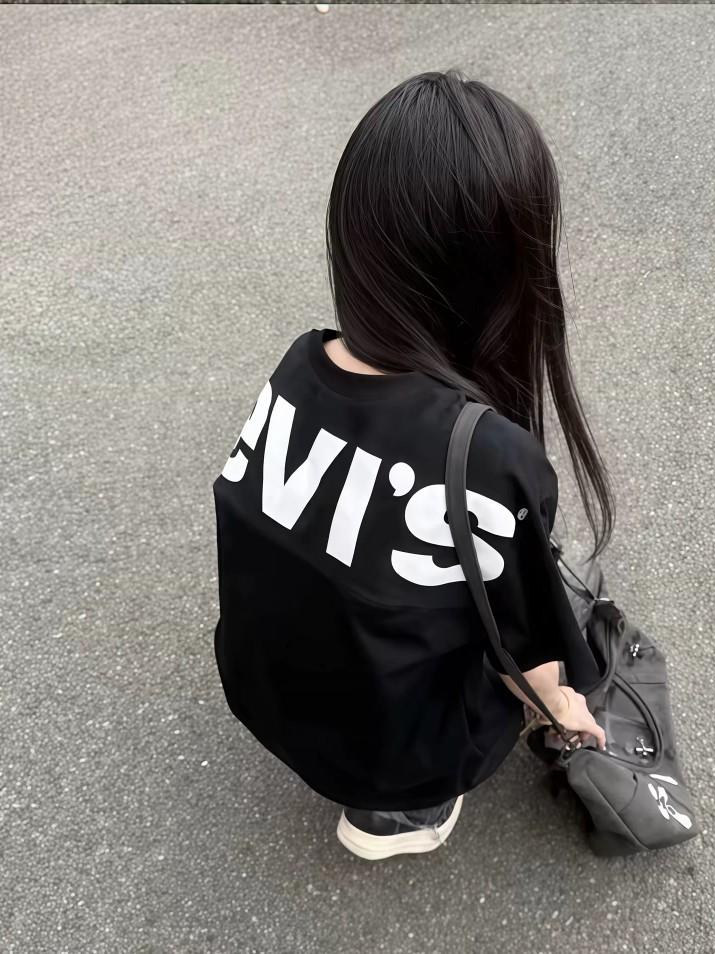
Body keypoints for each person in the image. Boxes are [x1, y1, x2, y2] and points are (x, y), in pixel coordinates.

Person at [211, 69, 615, 862]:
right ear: (510, 270)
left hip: (259, 694)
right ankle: (400, 811)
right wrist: (567, 711)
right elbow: (525, 661)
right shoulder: (488, 457)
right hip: (391, 757)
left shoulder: (296, 369)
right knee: (537, 619)